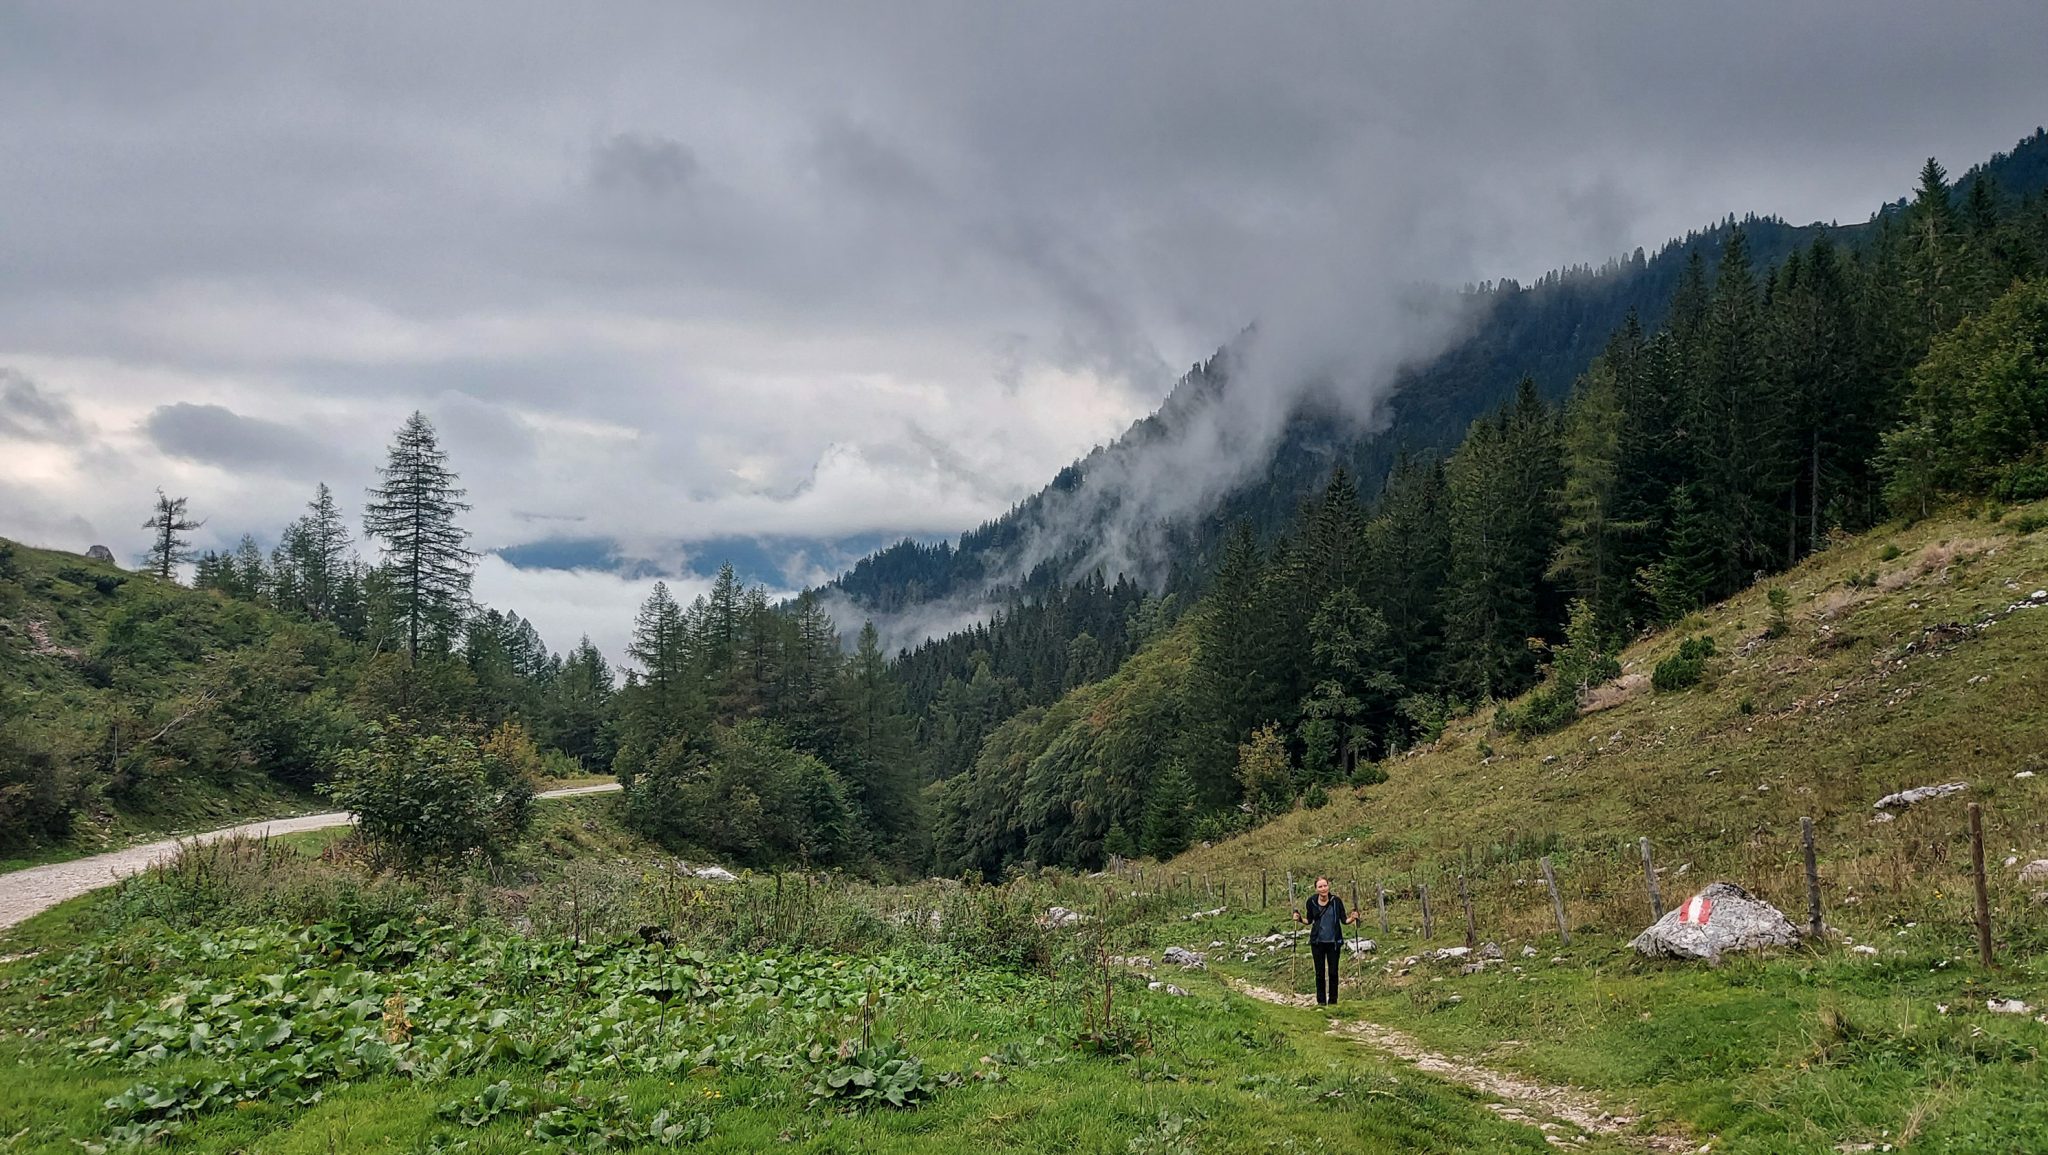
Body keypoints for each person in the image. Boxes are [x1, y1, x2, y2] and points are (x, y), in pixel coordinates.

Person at [1294, 875, 1357, 1005]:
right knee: (1320, 973)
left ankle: (1333, 1001)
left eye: (1325, 886)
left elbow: (1344, 920)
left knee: (1333, 972)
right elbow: (1309, 921)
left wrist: (1353, 918)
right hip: (1317, 942)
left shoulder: (1336, 901)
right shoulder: (1311, 902)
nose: (1323, 889)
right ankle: (1321, 1001)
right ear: (1316, 889)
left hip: (1334, 942)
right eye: (1320, 886)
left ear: (1328, 886)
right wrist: (1299, 919)